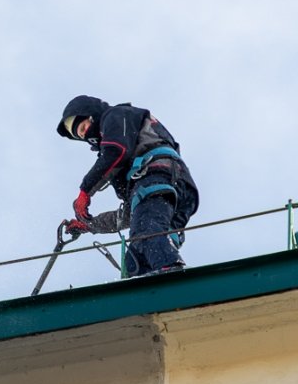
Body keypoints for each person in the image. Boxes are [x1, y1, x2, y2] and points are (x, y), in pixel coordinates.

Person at [56, 95, 199, 277]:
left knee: (145, 231)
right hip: (177, 190)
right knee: (135, 259)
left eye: (84, 127)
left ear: (92, 115)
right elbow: (129, 215)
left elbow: (116, 150)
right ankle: (147, 293)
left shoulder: (115, 115)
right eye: (81, 135)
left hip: (159, 176)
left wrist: (85, 190)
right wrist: (90, 225)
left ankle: (170, 274)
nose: (86, 135)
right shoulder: (131, 171)